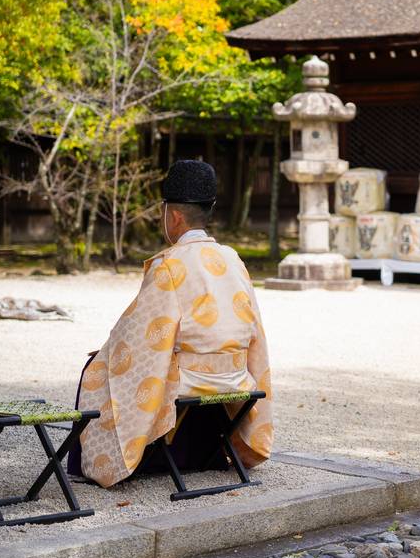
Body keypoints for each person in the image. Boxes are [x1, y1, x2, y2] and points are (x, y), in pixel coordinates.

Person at [69, 160, 272, 488]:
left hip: (189, 381)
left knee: (97, 368)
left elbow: (139, 334)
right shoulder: (233, 260)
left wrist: (107, 352)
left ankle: (121, 463)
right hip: (234, 376)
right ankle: (198, 454)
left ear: (173, 215)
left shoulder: (171, 265)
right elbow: (254, 332)